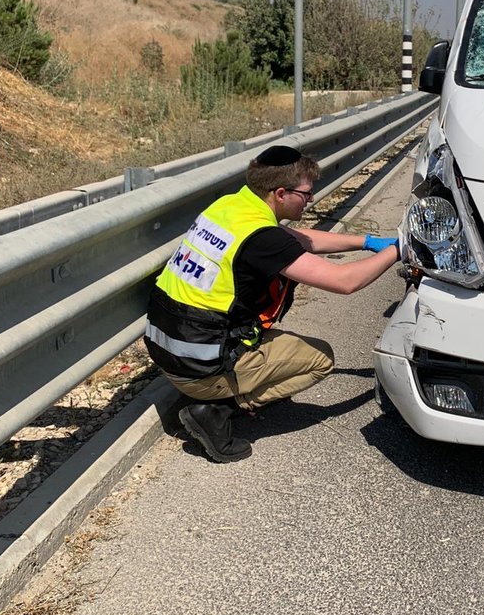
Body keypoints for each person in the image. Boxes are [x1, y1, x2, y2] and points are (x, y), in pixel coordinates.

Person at [144, 144, 400, 463]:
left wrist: (367, 242)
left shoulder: (232, 207)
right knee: (320, 358)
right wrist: (399, 251)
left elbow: (299, 241)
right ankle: (215, 410)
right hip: (199, 368)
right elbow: (344, 282)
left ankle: (217, 393)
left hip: (168, 348)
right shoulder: (263, 239)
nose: (312, 199)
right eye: (306, 193)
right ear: (281, 193)